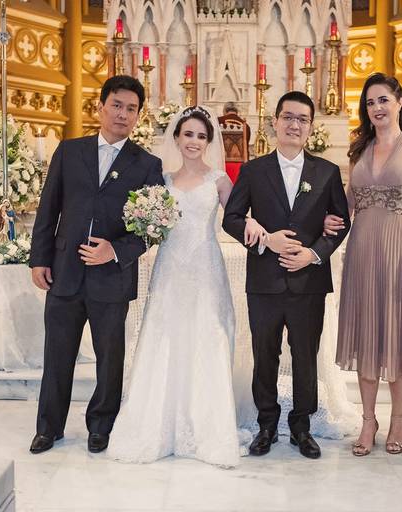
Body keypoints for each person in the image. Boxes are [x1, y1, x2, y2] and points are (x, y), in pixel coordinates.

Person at [106, 105, 264, 467]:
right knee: (166, 337)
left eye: (201, 136)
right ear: (176, 138)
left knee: (206, 336)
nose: (194, 141)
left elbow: (237, 217)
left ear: (209, 142)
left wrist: (255, 227)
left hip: (206, 268)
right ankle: (158, 426)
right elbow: (144, 222)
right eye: (188, 134)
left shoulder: (219, 180)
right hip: (170, 269)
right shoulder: (161, 179)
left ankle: (205, 427)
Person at [28, 75, 165, 455]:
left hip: (111, 277)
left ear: (138, 116)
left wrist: (116, 251)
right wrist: (39, 259)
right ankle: (48, 428)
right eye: (117, 105)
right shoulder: (69, 152)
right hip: (64, 272)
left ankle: (101, 426)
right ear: (101, 107)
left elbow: (153, 228)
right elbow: (48, 209)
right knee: (57, 355)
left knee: (110, 358)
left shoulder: (148, 164)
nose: (123, 114)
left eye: (131, 109)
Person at [223, 91, 351, 459]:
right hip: (264, 280)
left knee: (305, 355)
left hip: (308, 282)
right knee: (265, 353)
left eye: (303, 119)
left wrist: (313, 254)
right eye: (288, 117)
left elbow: (340, 223)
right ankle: (266, 424)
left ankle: (301, 426)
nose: (295, 124)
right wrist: (265, 239)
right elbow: (232, 218)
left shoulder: (327, 172)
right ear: (275, 122)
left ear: (310, 127)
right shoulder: (253, 170)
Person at [329, 72, 402, 456]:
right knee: (367, 335)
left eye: (383, 100)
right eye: (370, 102)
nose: (376, 107)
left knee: (396, 335)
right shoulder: (359, 151)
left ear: (399, 102)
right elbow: (349, 204)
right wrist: (328, 220)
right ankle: (368, 420)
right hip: (362, 254)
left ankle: (397, 419)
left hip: (401, 253)